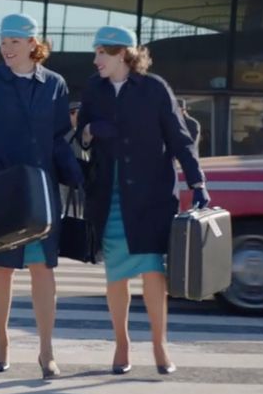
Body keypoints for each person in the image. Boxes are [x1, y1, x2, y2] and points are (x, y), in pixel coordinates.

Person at [77, 27, 209, 375]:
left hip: (151, 196)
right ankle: (121, 344)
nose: (96, 60)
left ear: (122, 53)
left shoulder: (154, 88)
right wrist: (92, 131)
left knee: (153, 271)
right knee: (116, 273)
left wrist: (197, 181)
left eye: (101, 53)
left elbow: (180, 138)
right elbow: (81, 134)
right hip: (110, 195)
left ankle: (159, 344)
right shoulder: (94, 88)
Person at [0, 13, 84, 378]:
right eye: (3, 42)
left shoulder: (55, 84)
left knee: (43, 269)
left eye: (14, 42)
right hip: (3, 188)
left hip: (42, 189)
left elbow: (60, 137)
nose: (7, 49)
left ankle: (47, 351)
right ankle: (1, 340)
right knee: (1, 268)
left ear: (33, 44)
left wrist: (75, 174)